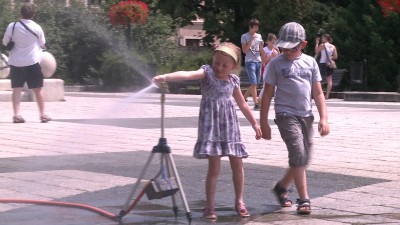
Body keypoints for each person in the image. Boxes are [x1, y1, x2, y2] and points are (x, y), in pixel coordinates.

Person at [152, 42, 262, 220]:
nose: (219, 67)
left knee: (238, 165)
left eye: (224, 65)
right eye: (216, 62)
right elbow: (188, 75)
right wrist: (166, 77)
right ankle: (210, 206)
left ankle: (239, 201)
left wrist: (255, 123)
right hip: (211, 128)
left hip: (229, 128)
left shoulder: (233, 81)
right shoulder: (207, 74)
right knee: (214, 168)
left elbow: (242, 104)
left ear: (233, 67)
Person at [260, 22, 330, 215]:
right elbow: (266, 95)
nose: (288, 51)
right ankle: (304, 199)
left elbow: (318, 93)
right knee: (299, 154)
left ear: (303, 44)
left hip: (306, 116)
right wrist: (263, 122)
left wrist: (324, 118)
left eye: (293, 48)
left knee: (302, 158)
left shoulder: (310, 63)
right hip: (285, 115)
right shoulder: (275, 64)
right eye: (283, 47)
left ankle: (281, 187)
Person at [2, 3, 50, 123]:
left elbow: (4, 42)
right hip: (32, 62)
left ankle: (17, 115)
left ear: (20, 13)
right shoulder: (37, 27)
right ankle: (43, 115)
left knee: (17, 88)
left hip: (16, 62)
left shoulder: (12, 26)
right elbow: (43, 43)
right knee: (38, 89)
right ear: (33, 14)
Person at [241, 19, 266, 110]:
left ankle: (243, 99)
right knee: (253, 83)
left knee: (255, 84)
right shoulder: (244, 36)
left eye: (257, 27)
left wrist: (262, 48)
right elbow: (244, 51)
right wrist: (251, 40)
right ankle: (256, 103)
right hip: (250, 61)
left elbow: (260, 50)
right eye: (255, 27)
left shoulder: (259, 36)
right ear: (250, 27)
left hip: (258, 61)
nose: (256, 29)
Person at [315, 34, 338, 100]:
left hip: (322, 63)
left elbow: (316, 51)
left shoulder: (322, 45)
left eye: (323, 38)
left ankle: (320, 95)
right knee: (329, 79)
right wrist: (330, 57)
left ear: (325, 38)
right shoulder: (333, 46)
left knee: (320, 79)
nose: (322, 39)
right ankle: (327, 95)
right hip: (329, 64)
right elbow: (335, 56)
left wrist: (316, 43)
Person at [259, 33, 280, 100]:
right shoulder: (265, 50)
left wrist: (278, 52)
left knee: (277, 85)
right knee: (266, 86)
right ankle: (259, 99)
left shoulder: (275, 50)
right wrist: (271, 56)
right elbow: (263, 61)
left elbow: (279, 59)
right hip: (267, 70)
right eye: (272, 42)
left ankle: (278, 99)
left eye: (275, 43)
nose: (274, 44)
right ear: (268, 42)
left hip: (275, 70)